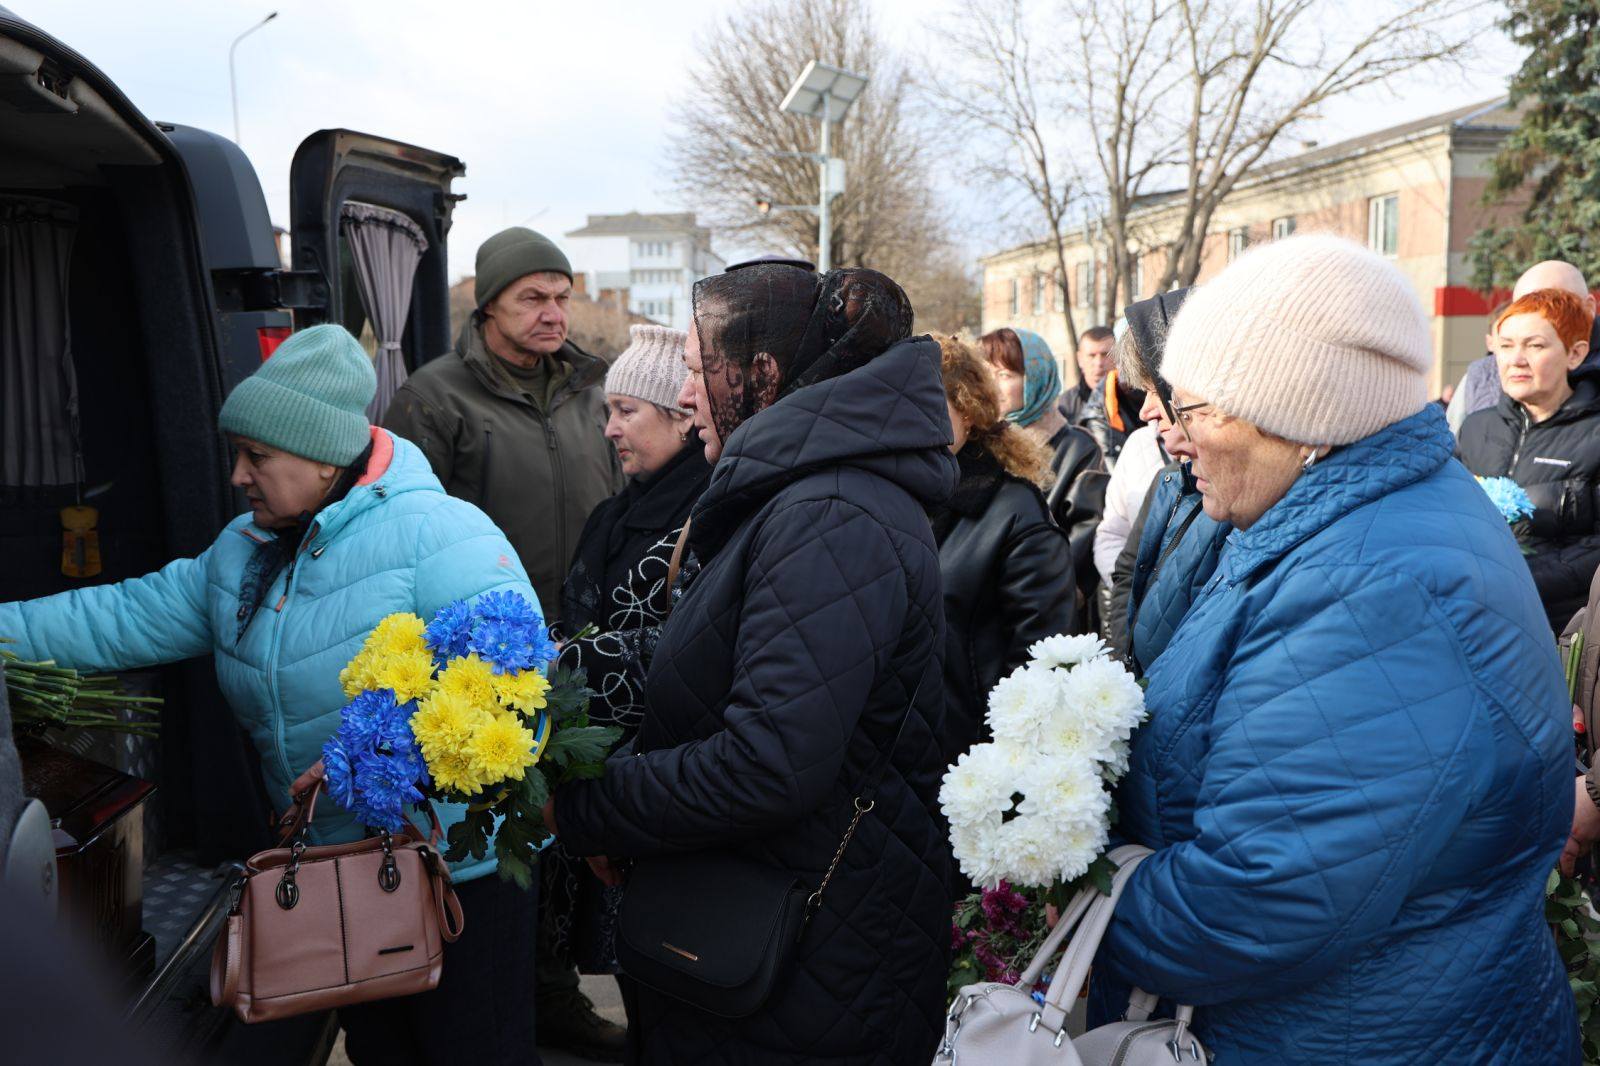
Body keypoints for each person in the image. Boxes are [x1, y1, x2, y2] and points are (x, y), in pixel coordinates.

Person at [0, 326, 547, 1064]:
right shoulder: (245, 551)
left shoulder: (440, 536)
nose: (237, 476)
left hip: (457, 884)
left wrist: (388, 753)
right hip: (338, 877)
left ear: (324, 456)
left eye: (257, 456)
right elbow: (119, 618)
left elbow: (519, 700)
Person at [1091, 235, 1578, 1063]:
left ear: (1302, 421)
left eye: (1199, 409)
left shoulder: (1372, 585)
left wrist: (1085, 901)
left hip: (1361, 1032)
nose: (1178, 437)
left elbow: (1264, 898)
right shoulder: (1334, 518)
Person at [547, 262, 956, 1065]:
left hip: (808, 964)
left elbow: (766, 763)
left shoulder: (829, 514)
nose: (689, 395)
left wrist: (585, 808)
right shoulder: (802, 493)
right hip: (780, 943)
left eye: (701, 374)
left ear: (763, 375)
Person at [382, 225, 626, 1057]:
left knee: (574, 835)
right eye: (533, 296)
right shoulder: (434, 397)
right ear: (488, 304)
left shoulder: (595, 388)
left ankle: (556, 991)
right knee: (499, 841)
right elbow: (405, 527)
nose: (554, 311)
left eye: (561, 295)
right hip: (482, 666)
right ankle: (485, 1003)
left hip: (583, 644)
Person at [543, 324, 710, 1034]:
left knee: (670, 970)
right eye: (606, 411)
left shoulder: (709, 513)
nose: (609, 429)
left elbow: (692, 650)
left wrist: (570, 665)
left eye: (627, 412)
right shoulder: (615, 514)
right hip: (595, 771)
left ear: (679, 414)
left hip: (662, 777)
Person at [929, 333, 1076, 762]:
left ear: (969, 412)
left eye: (933, 404)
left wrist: (999, 762)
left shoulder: (1013, 509)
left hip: (972, 763)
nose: (916, 420)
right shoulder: (891, 496)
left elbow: (1041, 654)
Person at [1459, 288, 1600, 631]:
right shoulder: (1476, 427)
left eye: (1535, 346)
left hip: (1562, 630)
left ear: (1575, 353)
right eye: (1506, 346)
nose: (1516, 359)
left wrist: (1518, 578)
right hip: (1476, 619)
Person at [1448, 259, 1600, 432]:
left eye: (1553, 305)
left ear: (1589, 307)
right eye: (1523, 307)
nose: (1535, 318)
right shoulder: (1482, 376)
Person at [979, 327, 1073, 453]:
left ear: (1037, 380)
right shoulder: (972, 438)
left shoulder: (1078, 449)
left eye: (1004, 375)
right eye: (985, 374)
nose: (991, 386)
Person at [1058, 325, 1115, 425]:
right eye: (1091, 356)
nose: (1098, 363)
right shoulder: (1064, 406)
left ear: (1118, 356)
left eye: (1105, 354)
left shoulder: (1134, 399)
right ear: (1080, 359)